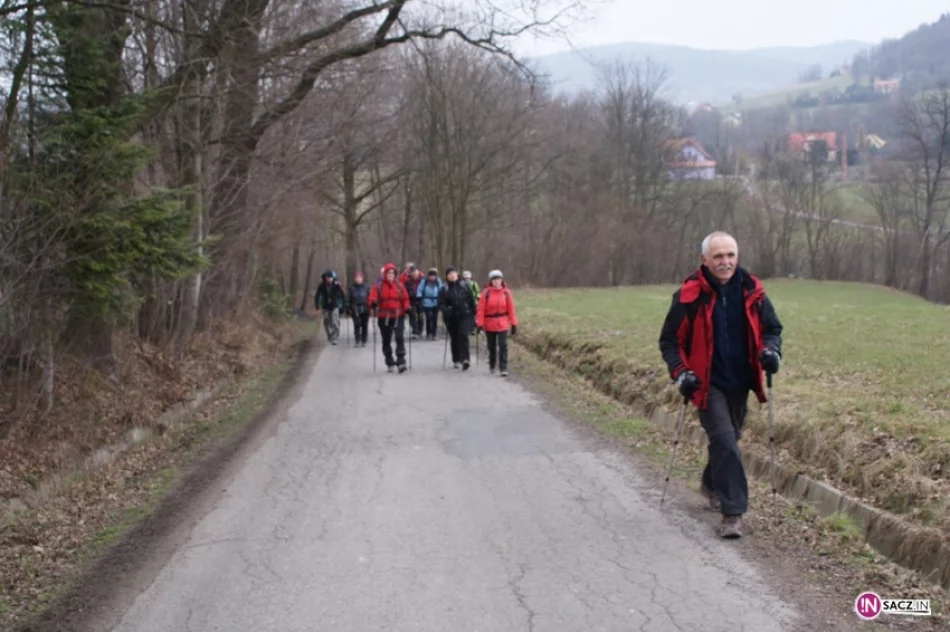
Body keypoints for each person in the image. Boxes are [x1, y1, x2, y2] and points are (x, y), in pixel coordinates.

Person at [658, 231, 783, 539]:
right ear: (704, 260)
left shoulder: (752, 290)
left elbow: (772, 328)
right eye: (718, 256)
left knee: (729, 440)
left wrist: (771, 351)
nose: (725, 262)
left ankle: (711, 483)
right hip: (706, 383)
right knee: (725, 440)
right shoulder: (688, 296)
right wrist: (681, 373)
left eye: (730, 255)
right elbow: (669, 342)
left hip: (742, 381)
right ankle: (733, 513)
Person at [368, 263, 411, 373]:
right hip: (384, 316)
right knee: (386, 340)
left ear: (395, 274)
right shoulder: (378, 286)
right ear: (385, 274)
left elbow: (405, 299)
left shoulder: (400, 286)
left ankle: (401, 361)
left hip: (398, 315)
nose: (391, 275)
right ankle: (389, 360)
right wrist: (373, 303)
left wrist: (407, 308)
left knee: (399, 337)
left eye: (393, 273)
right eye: (388, 273)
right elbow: (372, 297)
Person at [475, 269, 518, 377]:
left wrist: (513, 323)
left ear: (501, 280)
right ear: (491, 281)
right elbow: (481, 310)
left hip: (503, 323)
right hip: (489, 324)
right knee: (492, 346)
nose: (496, 281)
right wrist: (480, 324)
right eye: (494, 279)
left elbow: (511, 309)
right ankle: (492, 363)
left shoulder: (507, 293)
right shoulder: (486, 293)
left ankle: (503, 367)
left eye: (498, 279)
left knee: (503, 345)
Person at [439, 266, 477, 370]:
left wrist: (475, 313)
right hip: (451, 317)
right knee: (455, 338)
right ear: (447, 276)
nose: (452, 275)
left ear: (457, 274)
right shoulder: (444, 288)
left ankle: (465, 359)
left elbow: (471, 300)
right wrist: (446, 310)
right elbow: (441, 303)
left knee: (463, 335)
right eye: (450, 274)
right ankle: (456, 359)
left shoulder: (464, 285)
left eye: (454, 273)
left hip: (465, 315)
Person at [315, 270, 346, 345]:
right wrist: (318, 308)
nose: (330, 279)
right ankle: (329, 336)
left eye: (331, 278)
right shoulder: (321, 286)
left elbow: (343, 295)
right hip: (325, 307)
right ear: (326, 278)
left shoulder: (337, 284)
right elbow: (317, 296)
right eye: (329, 278)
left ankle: (335, 337)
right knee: (326, 322)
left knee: (335, 322)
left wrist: (344, 306)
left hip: (335, 306)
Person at [416, 267, 443, 341]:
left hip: (436, 302)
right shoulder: (424, 281)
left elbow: (441, 290)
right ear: (428, 276)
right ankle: (428, 333)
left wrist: (442, 297)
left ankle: (434, 334)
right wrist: (419, 296)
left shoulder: (438, 282)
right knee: (428, 318)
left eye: (434, 276)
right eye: (431, 276)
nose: (432, 277)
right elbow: (419, 289)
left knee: (435, 318)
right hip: (426, 302)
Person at [347, 271, 370, 347]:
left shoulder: (366, 287)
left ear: (362, 278)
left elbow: (370, 297)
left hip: (365, 307)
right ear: (355, 279)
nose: (358, 279)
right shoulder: (351, 288)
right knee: (357, 323)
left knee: (364, 324)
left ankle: (364, 340)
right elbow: (347, 298)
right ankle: (357, 339)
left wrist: (372, 305)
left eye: (360, 278)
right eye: (357, 278)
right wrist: (347, 308)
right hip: (355, 307)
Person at [403, 266, 423, 339]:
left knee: (420, 316)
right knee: (413, 316)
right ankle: (415, 331)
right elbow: (405, 292)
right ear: (411, 273)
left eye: (416, 273)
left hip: (420, 301)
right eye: (413, 273)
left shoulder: (422, 280)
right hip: (412, 301)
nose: (415, 275)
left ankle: (420, 330)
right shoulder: (407, 282)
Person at [463, 270, 480, 335]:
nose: (467, 279)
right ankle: (467, 328)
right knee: (466, 315)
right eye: (466, 278)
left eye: (468, 277)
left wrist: (478, 298)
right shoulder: (462, 284)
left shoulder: (474, 283)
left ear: (470, 277)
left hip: (473, 301)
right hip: (465, 302)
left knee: (473, 315)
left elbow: (477, 291)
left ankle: (472, 329)